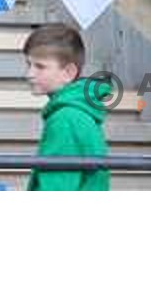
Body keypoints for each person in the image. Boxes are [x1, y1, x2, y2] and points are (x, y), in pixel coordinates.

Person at [23, 23, 111, 191]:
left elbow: (57, 187)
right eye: (29, 65)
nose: (29, 74)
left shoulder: (65, 119)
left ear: (69, 72)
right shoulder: (78, 111)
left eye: (40, 66)